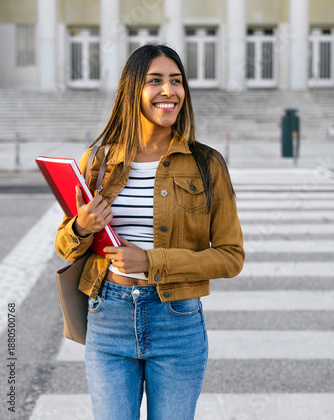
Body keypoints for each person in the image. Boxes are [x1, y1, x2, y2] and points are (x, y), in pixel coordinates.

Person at [55, 44, 245, 420]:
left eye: (176, 81)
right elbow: (64, 246)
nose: (168, 91)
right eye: (154, 81)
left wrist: (150, 260)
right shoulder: (97, 161)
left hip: (176, 321)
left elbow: (230, 256)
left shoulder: (207, 164)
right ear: (133, 90)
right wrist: (83, 226)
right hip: (108, 317)